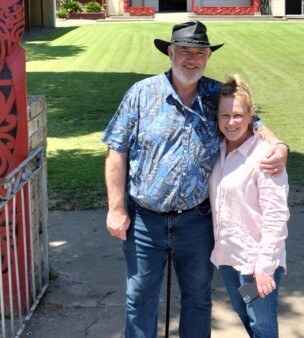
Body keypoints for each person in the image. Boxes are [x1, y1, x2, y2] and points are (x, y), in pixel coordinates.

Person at [102, 21, 289, 338]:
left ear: (207, 57)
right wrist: (116, 208)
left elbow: (252, 122)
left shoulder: (217, 95)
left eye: (199, 53)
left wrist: (280, 145)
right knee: (139, 298)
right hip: (144, 221)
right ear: (170, 52)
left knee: (198, 298)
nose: (192, 59)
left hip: (196, 221)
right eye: (184, 51)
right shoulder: (141, 94)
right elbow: (116, 151)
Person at [210, 75, 289, 338]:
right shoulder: (218, 149)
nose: (231, 122)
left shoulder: (265, 156)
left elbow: (276, 216)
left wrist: (264, 267)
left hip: (257, 261)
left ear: (251, 115)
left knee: (263, 328)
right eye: (225, 115)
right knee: (247, 319)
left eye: (237, 115)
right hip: (227, 257)